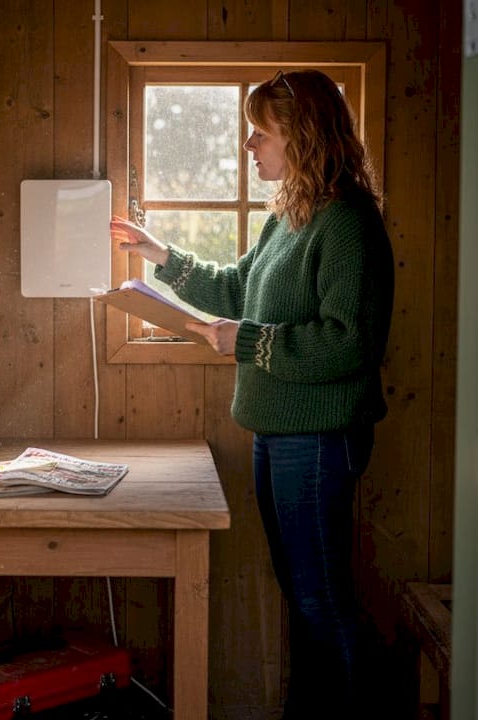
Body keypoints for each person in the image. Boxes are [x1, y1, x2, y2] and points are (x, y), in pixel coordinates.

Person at [110, 68, 394, 716]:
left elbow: (349, 343)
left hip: (320, 439)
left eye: (259, 133)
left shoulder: (347, 224)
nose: (248, 147)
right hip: (280, 435)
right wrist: (160, 254)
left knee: (323, 602)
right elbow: (238, 289)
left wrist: (246, 341)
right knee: (302, 599)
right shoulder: (290, 217)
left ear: (303, 137)